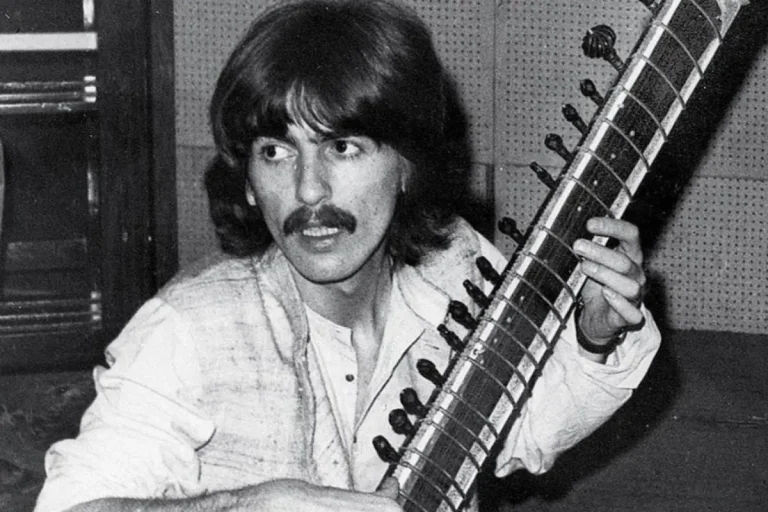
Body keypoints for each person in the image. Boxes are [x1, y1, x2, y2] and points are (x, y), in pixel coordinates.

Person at [34, 1, 660, 511]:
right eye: (275, 152)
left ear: (407, 166)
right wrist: (245, 507)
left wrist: (592, 334)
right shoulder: (190, 330)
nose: (309, 190)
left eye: (343, 147)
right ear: (247, 181)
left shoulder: (457, 270)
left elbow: (521, 430)